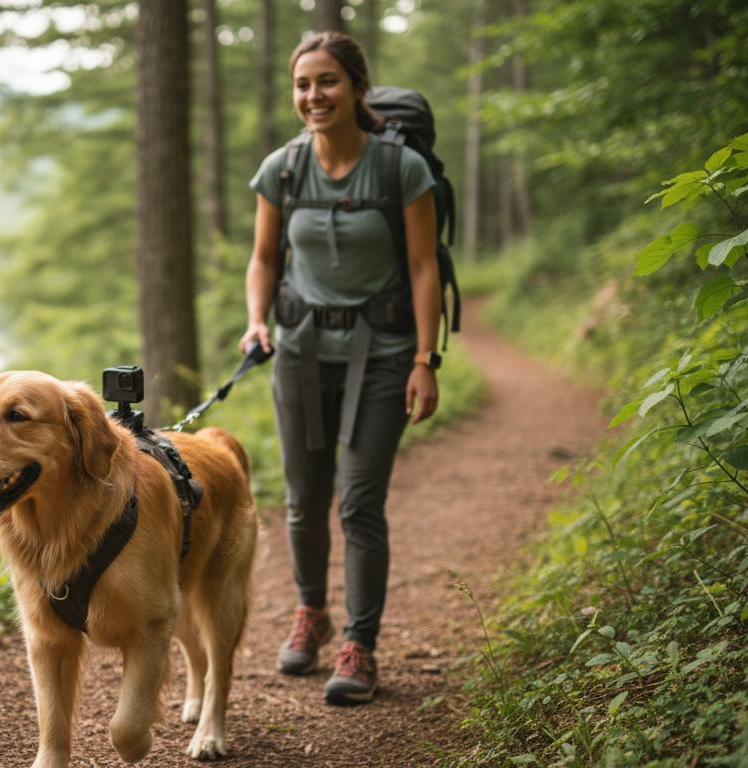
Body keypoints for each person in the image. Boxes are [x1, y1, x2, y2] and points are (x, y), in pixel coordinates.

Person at [238, 30, 442, 706]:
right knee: (302, 502)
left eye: (327, 81)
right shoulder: (282, 170)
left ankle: (360, 643)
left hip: (382, 354)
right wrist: (257, 319)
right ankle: (311, 612)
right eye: (302, 84)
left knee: (358, 502)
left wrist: (424, 358)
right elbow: (265, 257)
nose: (313, 95)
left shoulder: (399, 169)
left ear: (356, 86)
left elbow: (422, 267)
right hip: (298, 351)